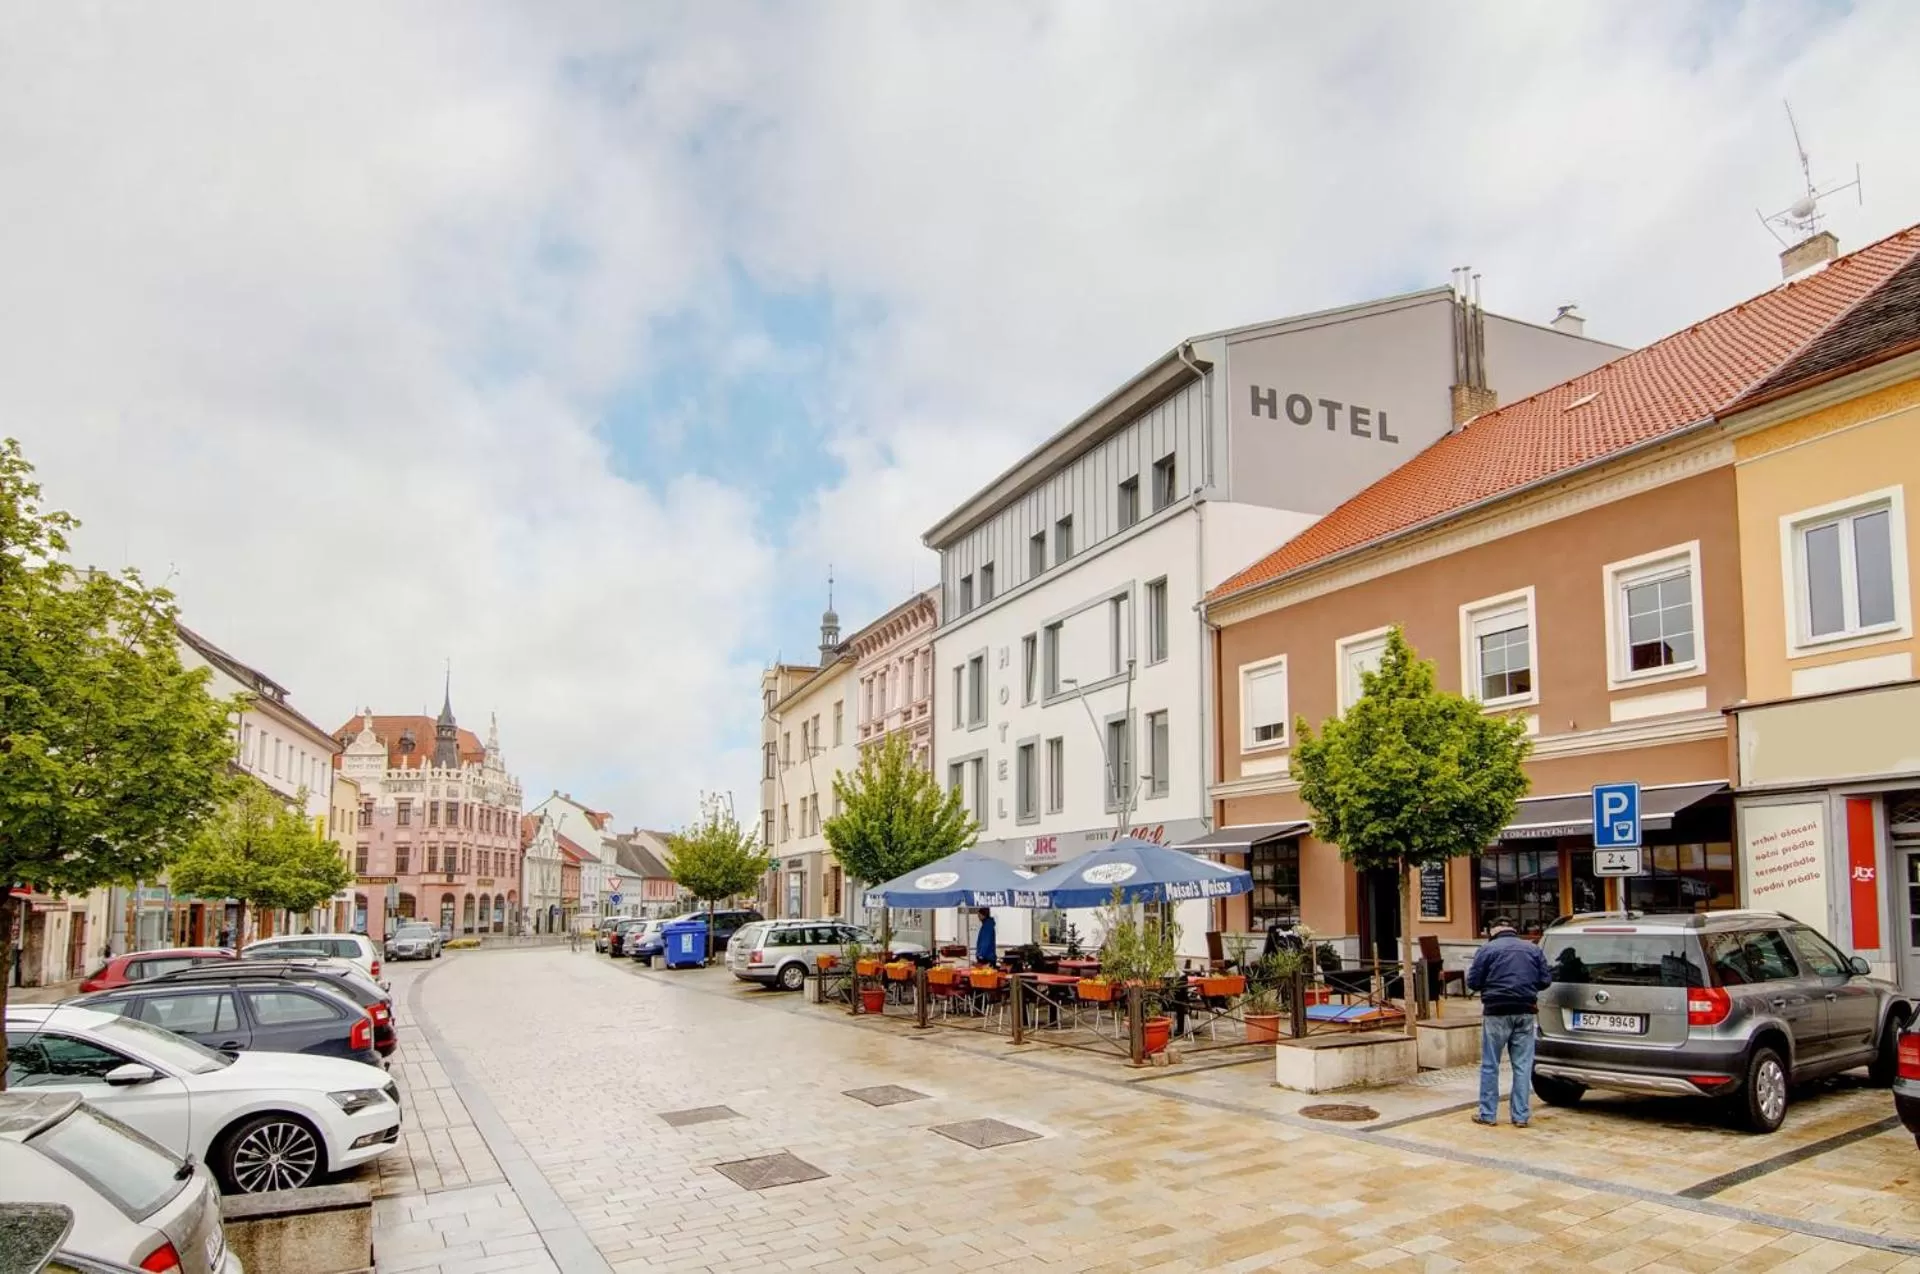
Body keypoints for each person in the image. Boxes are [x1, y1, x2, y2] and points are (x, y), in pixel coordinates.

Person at [1466, 916, 1553, 1128]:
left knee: (1490, 1065)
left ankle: (1488, 1114)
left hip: (1496, 1011)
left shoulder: (1486, 950)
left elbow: (1473, 982)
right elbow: (1545, 981)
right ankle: (1521, 1116)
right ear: (1513, 929)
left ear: (1492, 931)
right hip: (1525, 1010)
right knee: (1523, 1066)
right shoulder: (1532, 949)